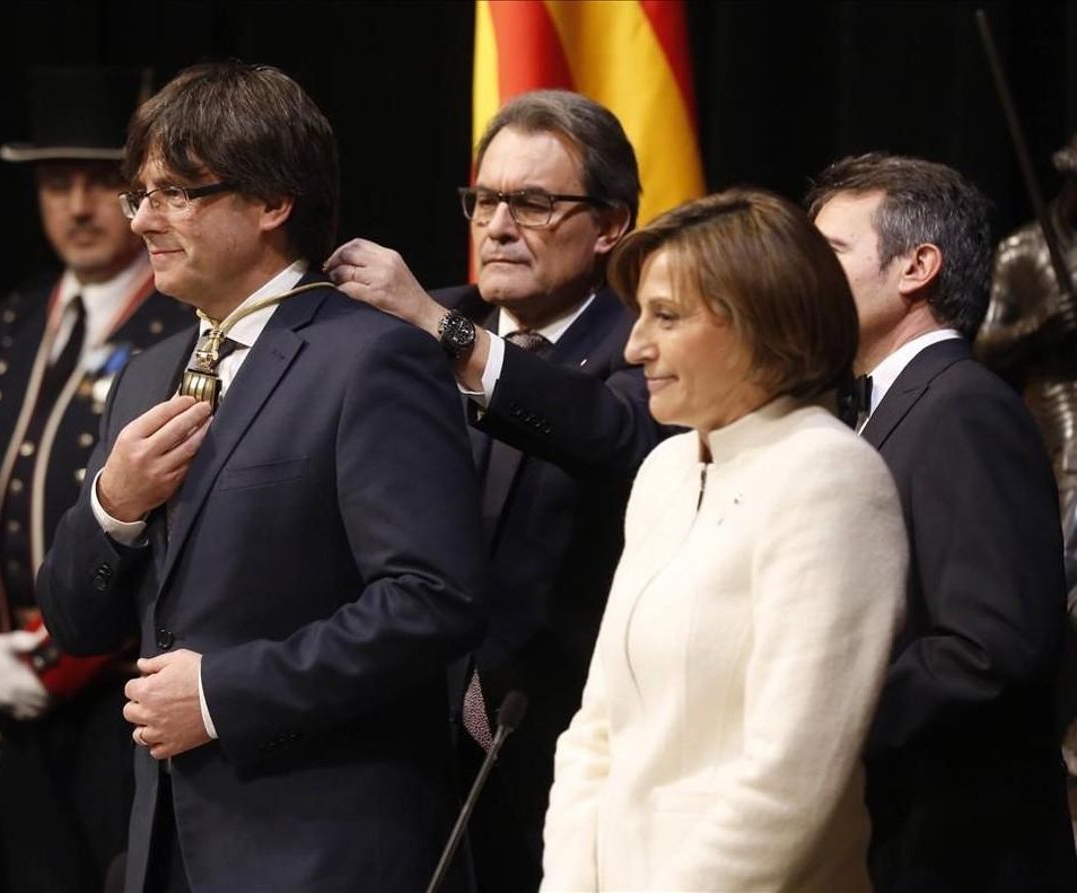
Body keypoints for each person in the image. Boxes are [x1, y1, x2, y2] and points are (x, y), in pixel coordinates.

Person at [36, 61, 486, 893]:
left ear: (272, 203)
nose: (144, 221)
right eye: (140, 193)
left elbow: (432, 598)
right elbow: (72, 618)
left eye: (175, 192)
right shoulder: (147, 375)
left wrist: (220, 693)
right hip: (164, 850)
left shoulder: (371, 357)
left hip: (323, 853)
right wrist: (114, 506)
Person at [324, 89, 663, 891]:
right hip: (396, 732)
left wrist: (449, 336)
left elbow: (619, 439)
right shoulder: (413, 324)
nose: (498, 225)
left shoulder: (646, 338)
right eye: (485, 200)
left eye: (534, 203)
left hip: (556, 743)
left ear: (611, 224)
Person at [541, 188, 907, 890]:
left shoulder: (829, 476)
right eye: (641, 313)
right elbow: (596, 731)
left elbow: (792, 775)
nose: (633, 345)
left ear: (759, 323)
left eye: (667, 317)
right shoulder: (663, 471)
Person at [0, 67, 189, 893]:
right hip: (5, 698)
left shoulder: (180, 325)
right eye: (54, 184)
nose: (77, 206)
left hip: (120, 698)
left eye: (98, 183)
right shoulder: (8, 323)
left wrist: (51, 656)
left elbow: (173, 521)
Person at [810, 153, 1077, 891]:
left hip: (957, 857)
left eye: (827, 252)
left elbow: (990, 647)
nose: (800, 274)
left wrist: (814, 714)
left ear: (915, 267)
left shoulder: (963, 406)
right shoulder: (877, 408)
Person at [976, 132, 1077, 616]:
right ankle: (1053, 604)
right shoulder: (1021, 250)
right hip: (1056, 390)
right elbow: (986, 345)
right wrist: (1043, 325)